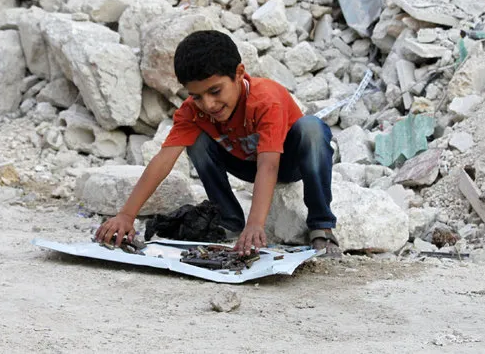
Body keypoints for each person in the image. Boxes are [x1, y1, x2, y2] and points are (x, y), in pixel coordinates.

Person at [95, 30, 340, 257]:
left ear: (239, 73)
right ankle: (229, 219)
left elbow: (269, 165)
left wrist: (256, 226)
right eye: (197, 96)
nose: (209, 104)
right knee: (197, 140)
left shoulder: (265, 99)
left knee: (312, 129)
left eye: (215, 91)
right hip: (246, 164)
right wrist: (126, 215)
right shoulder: (193, 112)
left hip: (286, 161)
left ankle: (321, 227)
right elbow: (164, 159)